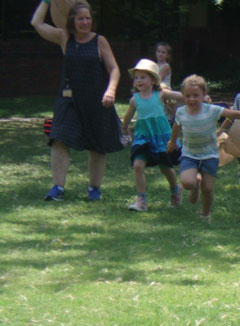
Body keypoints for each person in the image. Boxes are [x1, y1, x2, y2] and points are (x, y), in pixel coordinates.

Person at [31, 1, 125, 201]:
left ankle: (94, 189)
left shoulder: (100, 41)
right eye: (81, 18)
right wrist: (47, 2)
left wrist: (111, 90)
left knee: (97, 145)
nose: (85, 22)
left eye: (88, 18)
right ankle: (57, 187)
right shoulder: (65, 37)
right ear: (72, 20)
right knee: (59, 138)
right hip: (68, 100)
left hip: (96, 100)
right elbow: (37, 23)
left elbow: (114, 69)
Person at [167, 75, 240, 222]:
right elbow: (176, 127)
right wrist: (172, 142)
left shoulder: (211, 110)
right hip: (189, 155)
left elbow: (234, 114)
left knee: (208, 189)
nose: (192, 99)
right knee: (187, 183)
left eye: (196, 96)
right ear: (183, 96)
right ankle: (195, 184)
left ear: (204, 94)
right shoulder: (181, 112)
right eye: (188, 96)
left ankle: (205, 214)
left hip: (210, 155)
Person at [121, 59, 185, 212]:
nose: (139, 80)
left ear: (153, 80)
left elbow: (182, 96)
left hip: (161, 136)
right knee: (138, 165)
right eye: (136, 78)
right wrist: (123, 128)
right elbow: (128, 117)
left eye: (143, 77)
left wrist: (197, 98)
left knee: (165, 167)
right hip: (143, 137)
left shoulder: (161, 94)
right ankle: (141, 200)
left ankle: (175, 190)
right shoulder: (134, 100)